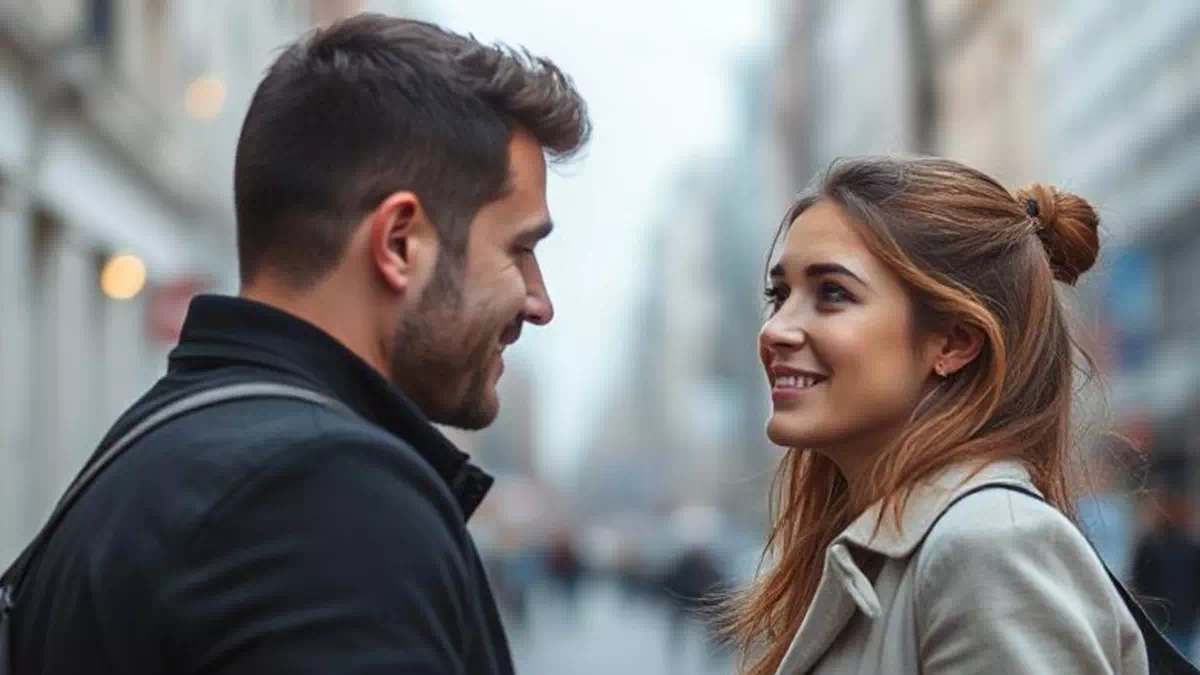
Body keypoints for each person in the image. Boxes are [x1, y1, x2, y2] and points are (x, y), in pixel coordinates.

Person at [12, 14, 589, 675]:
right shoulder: (329, 499)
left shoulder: (148, 455)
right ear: (400, 242)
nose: (539, 302)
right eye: (520, 249)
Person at [727, 157, 1149, 674]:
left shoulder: (990, 545)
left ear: (955, 342)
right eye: (780, 295)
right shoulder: (888, 550)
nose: (775, 331)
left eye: (832, 293)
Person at [1133, 490, 1200, 659]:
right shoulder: (1190, 545)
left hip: (1162, 618)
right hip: (1181, 617)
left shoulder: (1150, 545)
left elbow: (1140, 580)